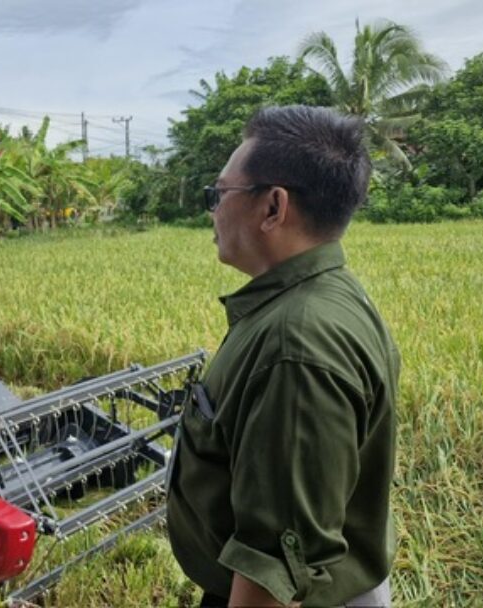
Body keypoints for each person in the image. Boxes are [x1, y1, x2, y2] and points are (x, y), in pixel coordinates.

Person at [166, 105, 399, 607]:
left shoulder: (295, 346)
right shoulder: (321, 297)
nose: (212, 209)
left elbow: (277, 573)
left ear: (273, 207)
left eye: (219, 194)